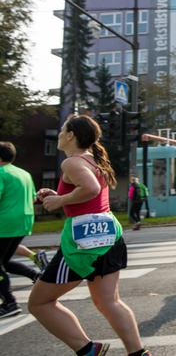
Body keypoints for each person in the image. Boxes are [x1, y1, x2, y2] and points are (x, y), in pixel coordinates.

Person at [28, 115, 150, 356]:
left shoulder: (71, 162)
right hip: (108, 235)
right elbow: (89, 194)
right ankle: (138, 353)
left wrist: (60, 200)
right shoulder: (93, 160)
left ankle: (88, 350)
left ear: (71, 135)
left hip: (83, 242)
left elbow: (90, 189)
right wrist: (57, 194)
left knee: (39, 303)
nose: (60, 134)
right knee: (109, 302)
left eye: (63, 129)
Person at [0, 141, 41, 319]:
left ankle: (9, 302)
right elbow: (33, 199)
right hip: (23, 222)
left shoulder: (1, 173)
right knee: (5, 262)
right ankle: (36, 276)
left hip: (4, 223)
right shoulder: (24, 173)